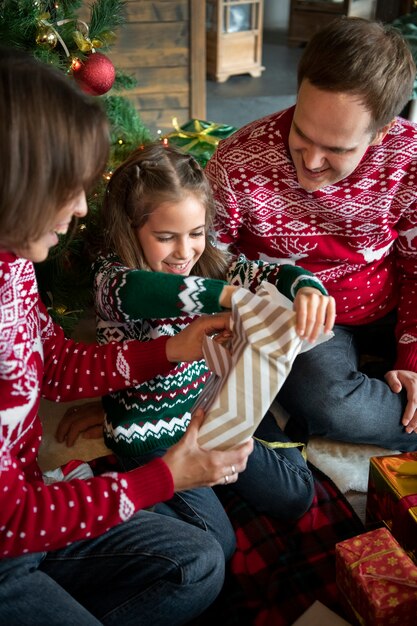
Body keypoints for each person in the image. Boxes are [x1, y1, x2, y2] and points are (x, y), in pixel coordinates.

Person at [0, 46, 255, 626]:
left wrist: (174, 348)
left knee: (200, 562)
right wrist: (164, 478)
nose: (82, 210)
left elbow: (59, 363)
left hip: (33, 510)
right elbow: (10, 519)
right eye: (68, 189)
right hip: (10, 538)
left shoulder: (14, 264)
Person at [56, 141, 335, 525]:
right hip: (150, 438)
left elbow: (267, 273)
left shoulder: (207, 262)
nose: (184, 252)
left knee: (297, 495)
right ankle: (116, 497)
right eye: (166, 237)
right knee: (219, 541)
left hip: (207, 407)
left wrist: (307, 288)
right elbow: (149, 292)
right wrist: (228, 295)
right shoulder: (113, 280)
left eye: (196, 233)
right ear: (131, 229)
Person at [204, 16, 417, 452]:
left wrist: (412, 356)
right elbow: (209, 266)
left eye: (337, 149)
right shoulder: (236, 161)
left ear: (382, 132)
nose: (312, 162)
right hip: (304, 322)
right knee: (325, 402)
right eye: (301, 133)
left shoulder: (409, 158)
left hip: (392, 298)